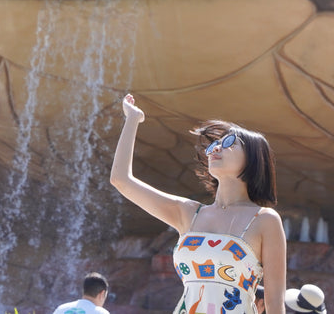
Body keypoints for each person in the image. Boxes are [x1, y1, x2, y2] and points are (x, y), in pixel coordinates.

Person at [110, 94, 287, 314]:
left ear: (253, 158)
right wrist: (132, 119)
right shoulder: (188, 213)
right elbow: (121, 180)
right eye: (214, 145)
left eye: (229, 142)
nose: (215, 149)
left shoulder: (265, 220)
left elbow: (274, 304)